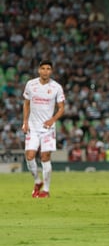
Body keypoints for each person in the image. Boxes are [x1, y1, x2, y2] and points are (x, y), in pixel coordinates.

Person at [22, 60, 65, 198]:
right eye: (43, 68)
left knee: (45, 157)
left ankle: (46, 191)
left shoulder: (56, 87)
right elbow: (26, 104)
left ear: (51, 71)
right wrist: (25, 122)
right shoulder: (30, 84)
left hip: (48, 128)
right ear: (39, 70)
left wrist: (52, 120)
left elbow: (61, 108)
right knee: (29, 156)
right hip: (33, 127)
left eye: (48, 69)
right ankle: (37, 181)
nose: (46, 71)